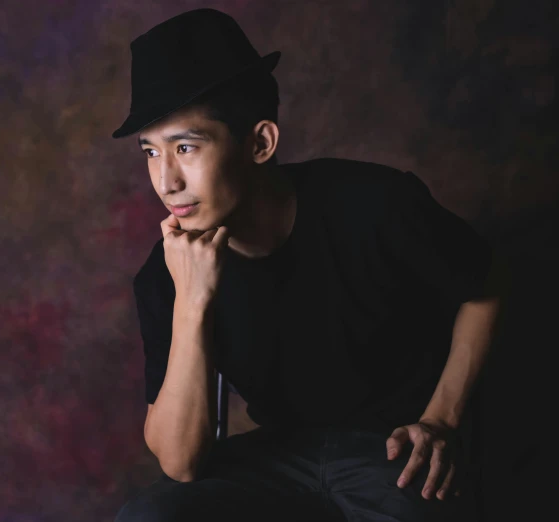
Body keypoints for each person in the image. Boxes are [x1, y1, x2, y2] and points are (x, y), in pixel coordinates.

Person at [112, 8, 506, 522]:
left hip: (391, 450)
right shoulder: (169, 269)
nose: (166, 181)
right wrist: (193, 302)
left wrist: (441, 421)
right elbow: (182, 463)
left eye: (185, 147)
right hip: (277, 458)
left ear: (260, 143)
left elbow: (486, 283)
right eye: (150, 152)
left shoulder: (373, 204)